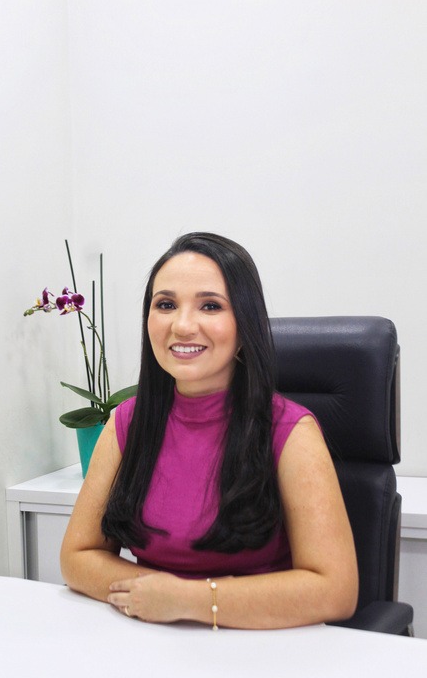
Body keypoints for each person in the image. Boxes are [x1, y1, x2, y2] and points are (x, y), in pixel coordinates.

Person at [60, 232, 358, 630]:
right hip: (152, 639)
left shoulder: (291, 431)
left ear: (245, 325)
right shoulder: (128, 421)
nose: (182, 325)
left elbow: (335, 590)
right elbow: (78, 556)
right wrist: (155, 596)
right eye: (166, 304)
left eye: (210, 306)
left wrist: (187, 600)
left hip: (262, 644)